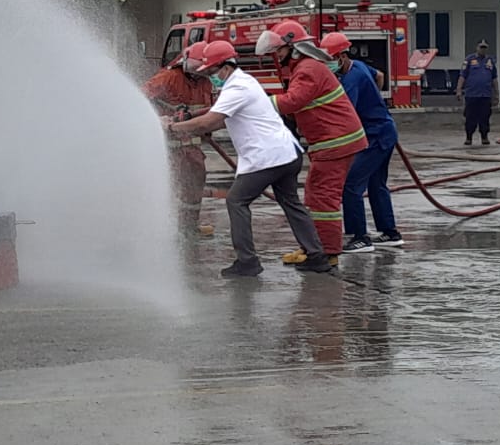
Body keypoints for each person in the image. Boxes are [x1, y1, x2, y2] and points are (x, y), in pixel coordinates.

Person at [165, 40, 332, 278]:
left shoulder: (237, 88)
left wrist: (173, 128)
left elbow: (211, 121)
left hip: (268, 157)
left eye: (212, 72)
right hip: (286, 153)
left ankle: (247, 261)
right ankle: (317, 256)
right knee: (291, 202)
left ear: (225, 66)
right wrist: (188, 118)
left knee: (236, 201)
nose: (211, 77)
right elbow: (220, 116)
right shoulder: (244, 81)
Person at [256, 20, 368, 265]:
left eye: (280, 50)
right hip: (331, 141)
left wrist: (257, 103)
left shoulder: (307, 69)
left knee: (323, 198)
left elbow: (292, 101)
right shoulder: (304, 67)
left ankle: (327, 253)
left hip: (336, 142)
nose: (277, 55)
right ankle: (313, 247)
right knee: (315, 195)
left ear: (294, 47)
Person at [320, 32, 404, 253]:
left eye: (331, 59)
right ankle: (390, 232)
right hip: (383, 130)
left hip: (376, 135)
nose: (328, 64)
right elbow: (380, 76)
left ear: (342, 56)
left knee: (350, 184)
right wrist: (375, 100)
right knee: (376, 184)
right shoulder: (359, 65)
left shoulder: (351, 80)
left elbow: (343, 112)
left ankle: (360, 237)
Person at [141, 41, 213, 237]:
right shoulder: (169, 77)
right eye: (196, 68)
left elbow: (210, 111)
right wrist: (158, 118)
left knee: (194, 187)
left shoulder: (205, 83)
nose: (199, 73)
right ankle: (163, 227)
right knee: (168, 187)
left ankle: (189, 227)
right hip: (169, 148)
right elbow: (141, 98)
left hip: (192, 148)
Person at [456, 40, 497, 146]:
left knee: (485, 117)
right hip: (472, 94)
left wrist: (496, 93)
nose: (483, 49)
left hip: (485, 95)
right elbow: (462, 76)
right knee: (470, 117)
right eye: (481, 47)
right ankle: (469, 137)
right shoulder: (469, 59)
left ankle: (484, 137)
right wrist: (459, 90)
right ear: (477, 47)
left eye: (485, 47)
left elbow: (494, 78)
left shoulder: (490, 61)